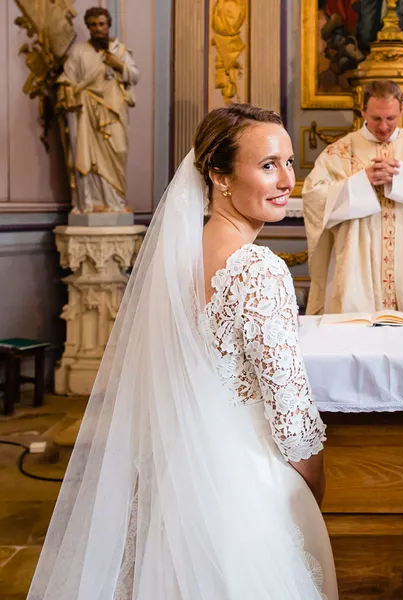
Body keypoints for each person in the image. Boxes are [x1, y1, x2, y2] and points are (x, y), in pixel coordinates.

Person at [28, 104, 338, 599]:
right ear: (218, 175)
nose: (287, 180)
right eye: (267, 165)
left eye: (289, 162)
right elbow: (291, 413)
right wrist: (313, 486)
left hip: (173, 477)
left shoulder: (175, 258)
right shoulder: (259, 269)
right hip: (246, 487)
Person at [302, 79, 403, 316]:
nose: (384, 127)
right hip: (356, 263)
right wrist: (360, 182)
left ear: (401, 112)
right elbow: (314, 198)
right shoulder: (340, 151)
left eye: (391, 118)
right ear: (363, 111)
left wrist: (402, 180)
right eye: (376, 118)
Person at [57, 6, 139, 214]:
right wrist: (68, 92)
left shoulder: (119, 50)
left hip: (113, 110)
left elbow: (135, 75)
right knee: (87, 153)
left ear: (108, 25)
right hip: (86, 111)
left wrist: (119, 65)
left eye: (101, 24)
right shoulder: (78, 52)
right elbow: (67, 79)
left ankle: (115, 202)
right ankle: (92, 202)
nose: (98, 29)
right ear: (88, 27)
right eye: (93, 25)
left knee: (117, 150)